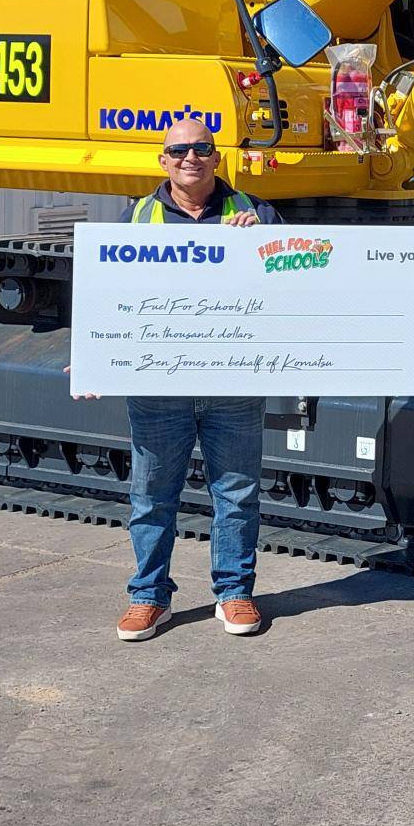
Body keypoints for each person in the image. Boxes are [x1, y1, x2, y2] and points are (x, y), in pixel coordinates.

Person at [112, 115, 281, 643]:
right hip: (159, 384)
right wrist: (94, 354)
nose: (192, 157)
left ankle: (234, 593)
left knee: (236, 493)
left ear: (216, 157)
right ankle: (148, 598)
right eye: (180, 150)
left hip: (233, 382)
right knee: (152, 494)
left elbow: (294, 286)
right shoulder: (135, 217)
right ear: (163, 160)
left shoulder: (256, 213)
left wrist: (262, 246)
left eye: (202, 149)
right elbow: (107, 293)